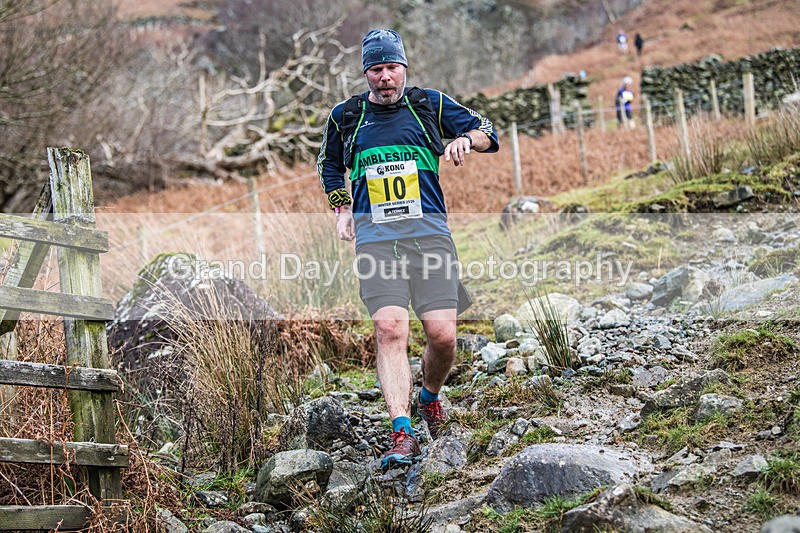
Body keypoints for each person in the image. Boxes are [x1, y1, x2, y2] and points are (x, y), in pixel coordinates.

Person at [317, 29, 499, 470]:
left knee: (443, 335)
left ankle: (429, 398)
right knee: (391, 329)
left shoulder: (429, 104)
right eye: (376, 70)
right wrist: (342, 208)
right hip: (377, 241)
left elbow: (488, 132)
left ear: (404, 68)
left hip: (430, 237)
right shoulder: (345, 116)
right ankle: (402, 432)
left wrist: (464, 140)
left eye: (391, 68)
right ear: (365, 73)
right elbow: (329, 164)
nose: (384, 77)